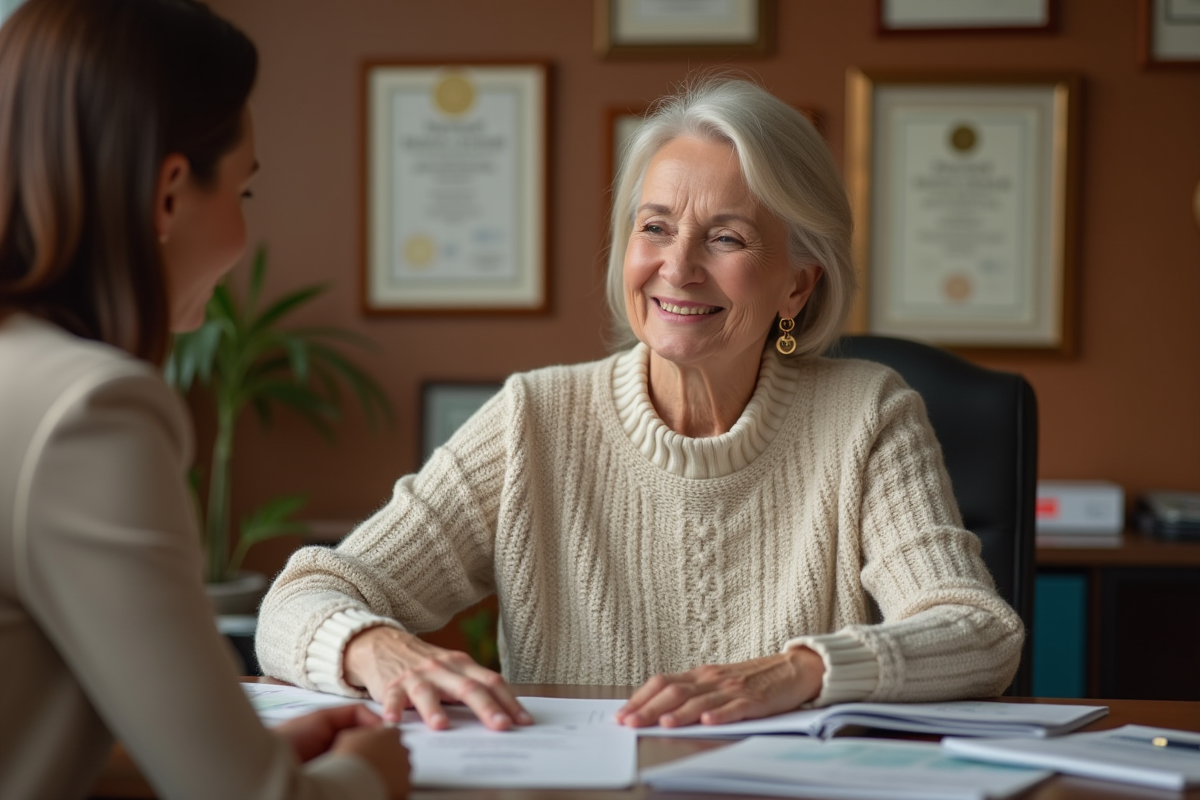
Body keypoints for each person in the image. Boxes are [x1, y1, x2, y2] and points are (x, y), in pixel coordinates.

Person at [256, 76, 1024, 732]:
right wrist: (377, 648)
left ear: (798, 282)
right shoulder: (535, 420)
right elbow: (302, 597)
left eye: (726, 238)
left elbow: (979, 633)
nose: (677, 267)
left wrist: (797, 671)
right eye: (654, 227)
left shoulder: (867, 415)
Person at [0, 1, 408, 798]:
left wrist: (239, 758)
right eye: (245, 195)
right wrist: (366, 774)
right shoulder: (87, 414)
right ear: (168, 193)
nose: (243, 233)